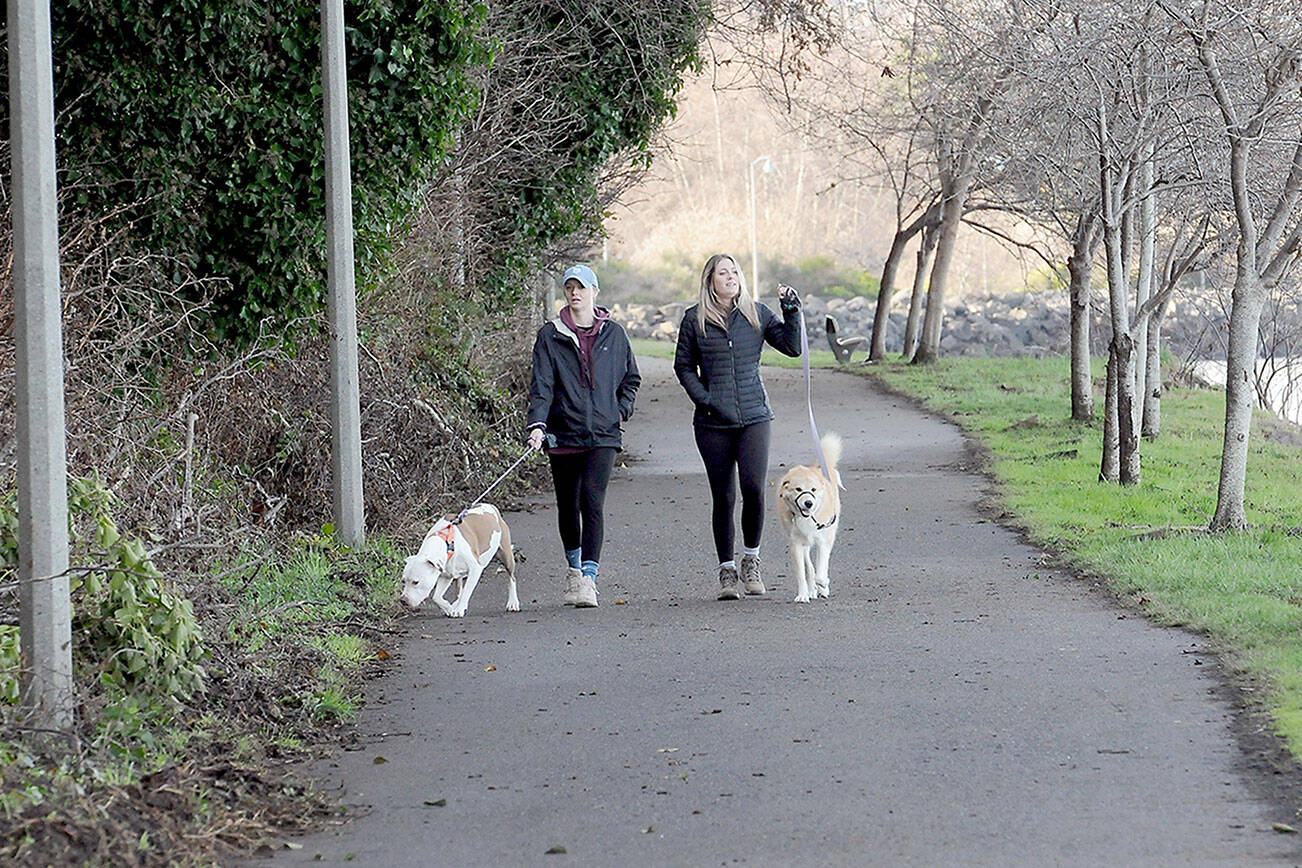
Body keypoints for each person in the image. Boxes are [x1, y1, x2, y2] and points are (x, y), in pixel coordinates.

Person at [673, 253, 802, 600]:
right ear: (710, 281)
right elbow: (683, 366)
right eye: (722, 273)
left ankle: (751, 560)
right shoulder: (694, 319)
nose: (730, 277)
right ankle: (727, 571)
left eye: (734, 272)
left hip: (754, 416)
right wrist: (706, 398)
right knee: (724, 495)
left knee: (754, 489)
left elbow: (792, 348)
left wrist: (792, 312)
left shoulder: (757, 314)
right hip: (713, 422)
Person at [527, 264, 640, 608]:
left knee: (592, 501)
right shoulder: (550, 335)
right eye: (569, 288)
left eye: (581, 287)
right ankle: (574, 570)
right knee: (568, 505)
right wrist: (537, 426)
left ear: (595, 292)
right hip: (563, 433)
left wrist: (620, 410)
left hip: (604, 434)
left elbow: (630, 379)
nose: (575, 293)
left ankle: (589, 580)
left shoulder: (615, 334)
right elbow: (542, 386)